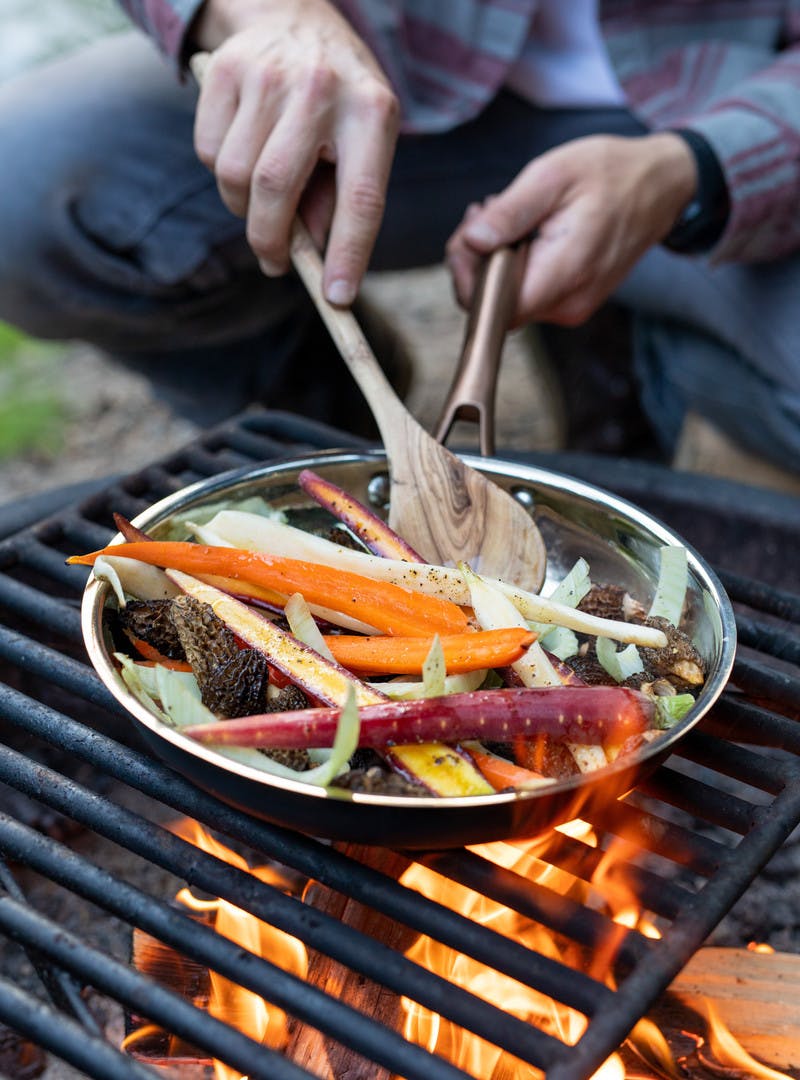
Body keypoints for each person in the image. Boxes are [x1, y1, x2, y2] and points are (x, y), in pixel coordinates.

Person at [1, 0, 799, 470]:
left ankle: (656, 347)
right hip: (384, 74)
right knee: (26, 182)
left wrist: (693, 170)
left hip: (723, 108)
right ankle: (320, 415)